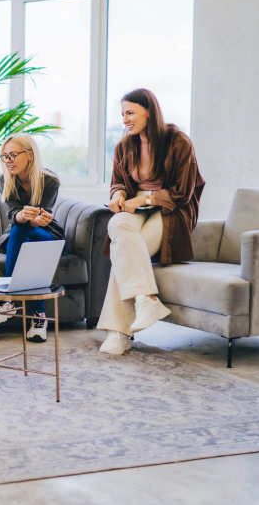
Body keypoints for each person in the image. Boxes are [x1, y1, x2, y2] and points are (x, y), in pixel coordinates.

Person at [98, 88, 205, 355]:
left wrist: (146, 200)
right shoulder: (124, 145)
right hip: (136, 207)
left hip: (170, 209)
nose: (125, 120)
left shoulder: (178, 142)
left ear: (150, 111)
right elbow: (118, 183)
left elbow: (183, 191)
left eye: (130, 113)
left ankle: (118, 332)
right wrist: (119, 194)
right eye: (123, 114)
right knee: (117, 225)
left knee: (126, 250)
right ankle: (147, 297)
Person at [0, 133, 64, 342]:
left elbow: (40, 217)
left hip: (45, 234)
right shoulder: (5, 180)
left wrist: (38, 220)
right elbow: (13, 216)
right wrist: (21, 216)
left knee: (24, 232)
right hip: (21, 235)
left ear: (29, 154)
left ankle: (7, 297)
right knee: (21, 232)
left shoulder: (50, 181)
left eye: (13, 155)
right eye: (4, 156)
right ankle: (39, 317)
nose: (8, 161)